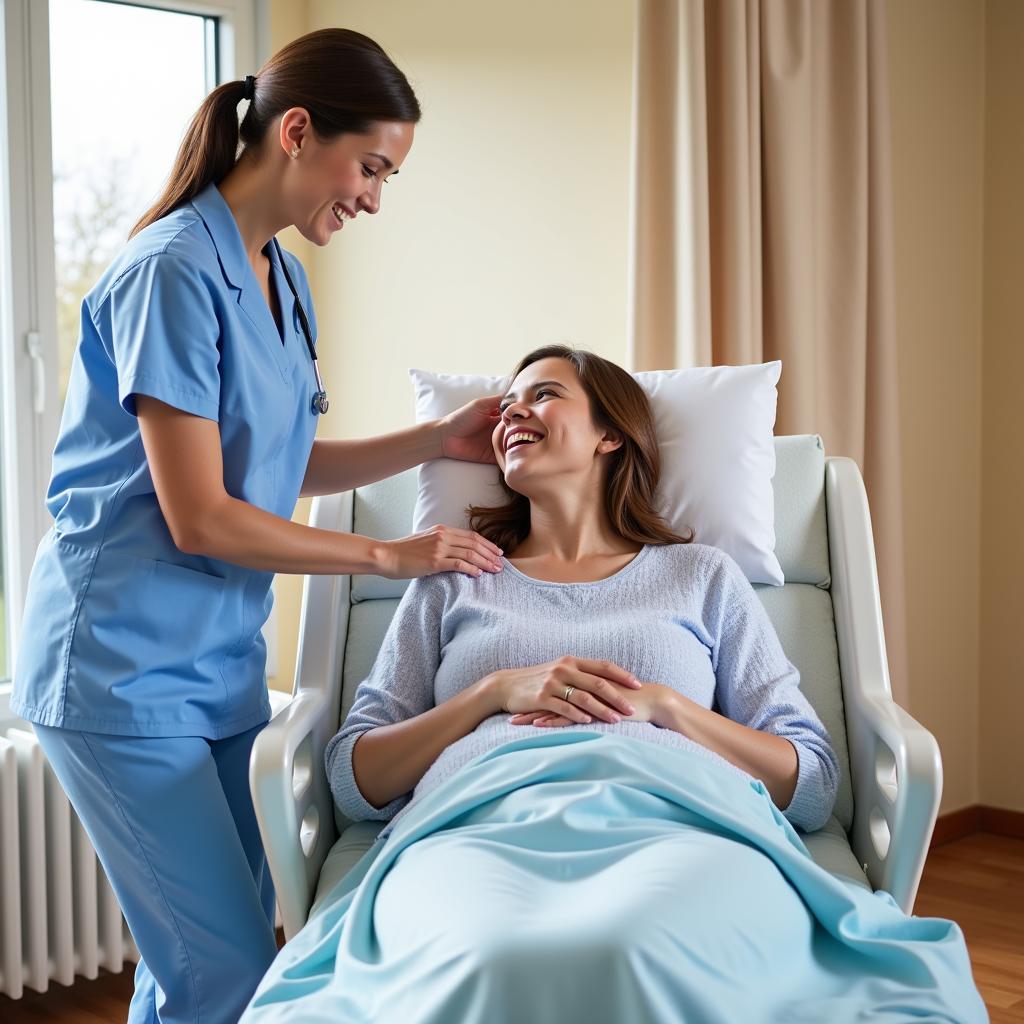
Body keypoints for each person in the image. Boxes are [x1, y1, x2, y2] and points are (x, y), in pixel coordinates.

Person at [10, 28, 504, 1024]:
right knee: (225, 969)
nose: (372, 196)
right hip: (117, 672)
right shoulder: (171, 274)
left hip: (216, 669)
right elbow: (201, 515)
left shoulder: (283, 279)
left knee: (206, 953)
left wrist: (434, 438)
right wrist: (388, 556)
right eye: (370, 166)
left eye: (387, 177)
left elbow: (276, 466)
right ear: (294, 132)